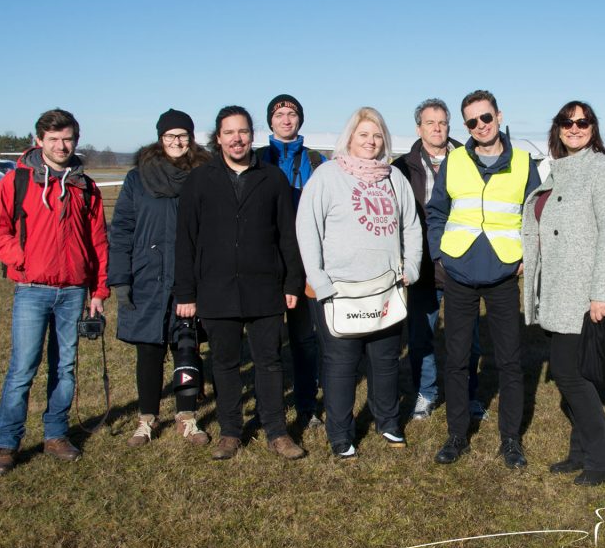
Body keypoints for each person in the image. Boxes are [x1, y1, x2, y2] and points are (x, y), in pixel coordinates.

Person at [174, 105, 307, 461]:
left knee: (269, 362)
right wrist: (186, 292)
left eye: (243, 132)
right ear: (218, 139)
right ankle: (231, 431)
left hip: (264, 287)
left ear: (253, 136)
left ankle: (277, 432)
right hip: (215, 288)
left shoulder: (273, 179)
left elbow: (287, 237)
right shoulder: (200, 180)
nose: (237, 138)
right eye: (229, 132)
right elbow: (185, 240)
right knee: (225, 363)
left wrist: (293, 283)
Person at [0, 108, 109, 475]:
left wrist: (98, 290)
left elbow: (99, 241)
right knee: (22, 369)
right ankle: (7, 443)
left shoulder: (85, 186)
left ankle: (55, 434)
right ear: (39, 141)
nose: (60, 145)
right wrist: (21, 258)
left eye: (67, 138)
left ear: (76, 140)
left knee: (65, 368)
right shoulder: (17, 181)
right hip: (32, 289)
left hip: (73, 291)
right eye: (53, 139)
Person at [297, 107, 422, 459]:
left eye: (377, 135)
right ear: (350, 137)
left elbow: (410, 225)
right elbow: (308, 229)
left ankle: (388, 422)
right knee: (341, 364)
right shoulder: (327, 175)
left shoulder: (393, 178)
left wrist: (410, 266)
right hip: (339, 291)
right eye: (364, 134)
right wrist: (319, 280)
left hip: (385, 288)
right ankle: (340, 434)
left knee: (385, 360)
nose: (370, 141)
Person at [426, 89, 541, 467]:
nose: (480, 126)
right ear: (466, 125)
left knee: (509, 360)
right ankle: (457, 434)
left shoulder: (524, 162)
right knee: (457, 358)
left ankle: (511, 440)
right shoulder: (455, 161)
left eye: (486, 118)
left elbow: (534, 216)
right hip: (458, 270)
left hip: (504, 271)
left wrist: (527, 255)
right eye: (472, 121)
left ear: (498, 116)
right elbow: (437, 212)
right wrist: (440, 253)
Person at [522, 100, 605, 486]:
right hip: (557, 289)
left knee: (569, 375)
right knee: (577, 373)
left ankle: (602, 459)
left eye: (583, 122)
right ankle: (579, 452)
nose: (575, 127)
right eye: (568, 122)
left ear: (594, 128)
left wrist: (601, 293)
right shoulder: (560, 170)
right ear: (558, 128)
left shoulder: (602, 170)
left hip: (582, 292)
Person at [109, 109, 213, 448]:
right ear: (160, 138)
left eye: (182, 135)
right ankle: (147, 418)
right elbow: (122, 230)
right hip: (147, 276)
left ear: (191, 137)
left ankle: (187, 416)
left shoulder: (206, 173)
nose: (177, 141)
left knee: (187, 346)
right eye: (170, 136)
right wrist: (121, 279)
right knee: (149, 350)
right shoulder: (138, 178)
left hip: (190, 276)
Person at [392, 98, 482, 421]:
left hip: (461, 265)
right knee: (420, 336)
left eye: (442, 122)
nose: (437, 128)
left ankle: (470, 396)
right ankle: (426, 393)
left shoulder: (468, 158)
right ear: (419, 128)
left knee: (468, 338)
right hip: (423, 266)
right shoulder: (402, 167)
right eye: (430, 123)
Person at [255, 94, 325, 427]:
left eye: (292, 113)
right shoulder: (256, 159)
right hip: (264, 261)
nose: (286, 119)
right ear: (270, 120)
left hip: (305, 260)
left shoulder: (316, 160)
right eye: (279, 114)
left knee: (304, 338)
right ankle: (265, 403)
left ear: (300, 120)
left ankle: (306, 404)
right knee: (265, 341)